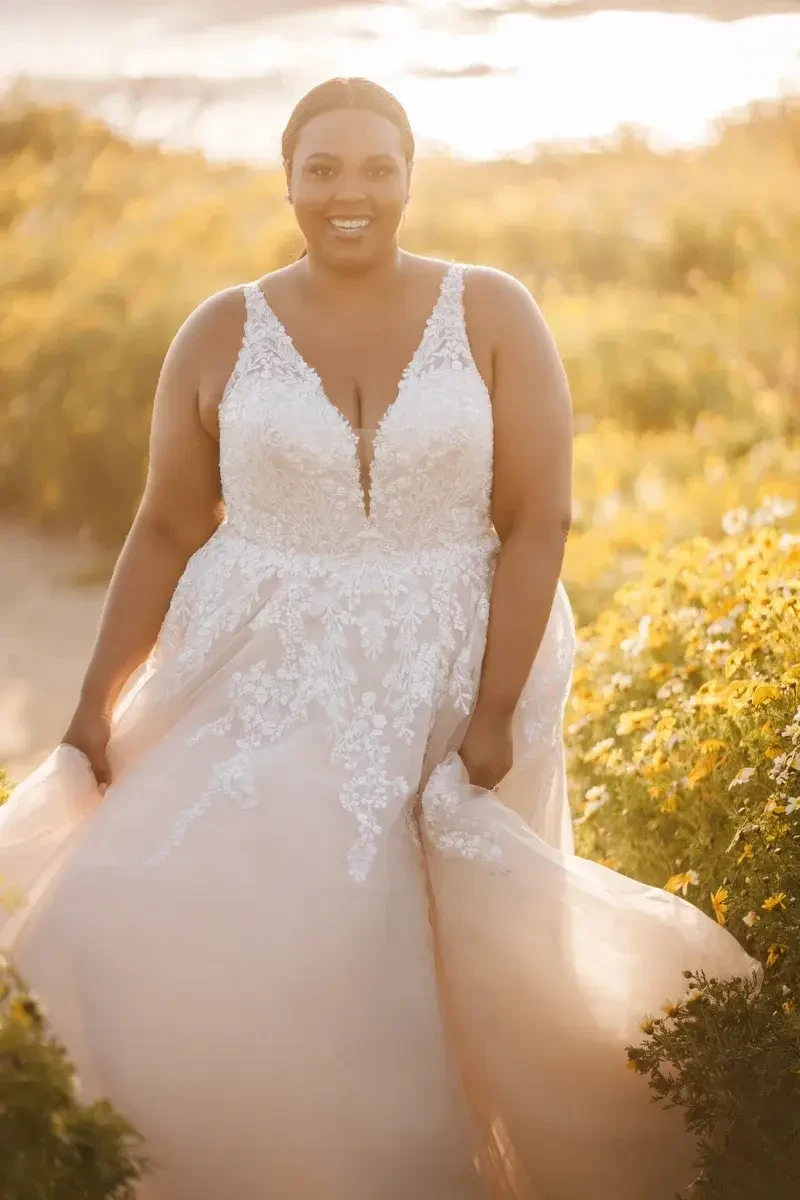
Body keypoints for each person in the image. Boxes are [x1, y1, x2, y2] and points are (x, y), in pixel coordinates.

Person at [0, 77, 760, 1200]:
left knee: (447, 949)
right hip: (252, 664)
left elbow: (537, 516)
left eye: (373, 168)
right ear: (287, 178)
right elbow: (164, 526)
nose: (347, 194)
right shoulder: (219, 329)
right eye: (321, 169)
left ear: (409, 177)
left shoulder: (493, 310)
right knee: (165, 902)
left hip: (449, 662)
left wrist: (494, 707)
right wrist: (88, 707)